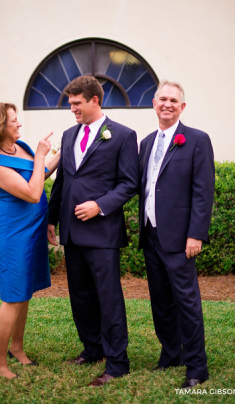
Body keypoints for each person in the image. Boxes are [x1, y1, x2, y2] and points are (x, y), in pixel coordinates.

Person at [47, 75, 139, 387]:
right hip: (72, 232)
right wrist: (51, 220)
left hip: (103, 233)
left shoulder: (124, 136)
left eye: (76, 103)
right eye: (70, 103)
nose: (72, 109)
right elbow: (62, 181)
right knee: (81, 296)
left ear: (94, 100)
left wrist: (99, 205)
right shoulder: (69, 134)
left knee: (108, 297)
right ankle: (93, 348)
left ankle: (117, 363)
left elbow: (130, 183)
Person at [138, 81, 214, 390]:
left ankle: (197, 367)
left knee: (186, 302)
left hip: (181, 238)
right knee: (160, 301)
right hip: (151, 234)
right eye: (162, 99)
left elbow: (203, 192)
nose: (167, 104)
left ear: (182, 107)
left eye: (174, 100)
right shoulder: (145, 143)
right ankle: (171, 354)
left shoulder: (196, 140)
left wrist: (195, 235)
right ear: (154, 104)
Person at [0, 102, 59, 379]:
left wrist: (60, 153)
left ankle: (18, 348)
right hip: (13, 232)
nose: (19, 124)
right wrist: (39, 156)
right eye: (13, 121)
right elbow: (33, 192)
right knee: (13, 295)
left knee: (25, 291)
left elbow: (40, 174)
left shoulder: (20, 146)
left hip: (33, 227)